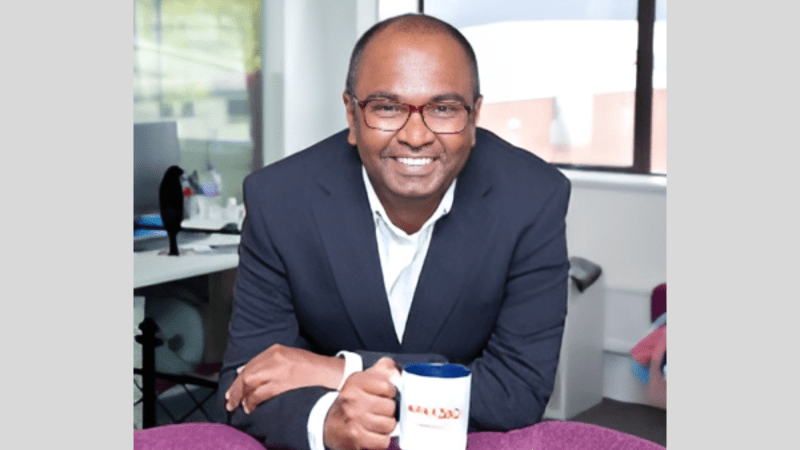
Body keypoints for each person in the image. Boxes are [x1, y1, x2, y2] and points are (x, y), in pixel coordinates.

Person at [218, 13, 571, 450]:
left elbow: (518, 391)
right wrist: (326, 422)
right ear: (351, 115)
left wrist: (340, 371)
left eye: (443, 109)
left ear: (474, 117)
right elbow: (245, 384)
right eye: (387, 107)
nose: (416, 136)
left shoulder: (533, 199)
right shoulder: (279, 200)